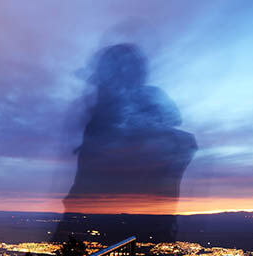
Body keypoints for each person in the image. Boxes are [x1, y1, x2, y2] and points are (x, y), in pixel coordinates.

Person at [54, 44, 197, 243]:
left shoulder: (143, 101)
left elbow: (174, 123)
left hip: (133, 212)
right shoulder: (102, 113)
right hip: (97, 206)